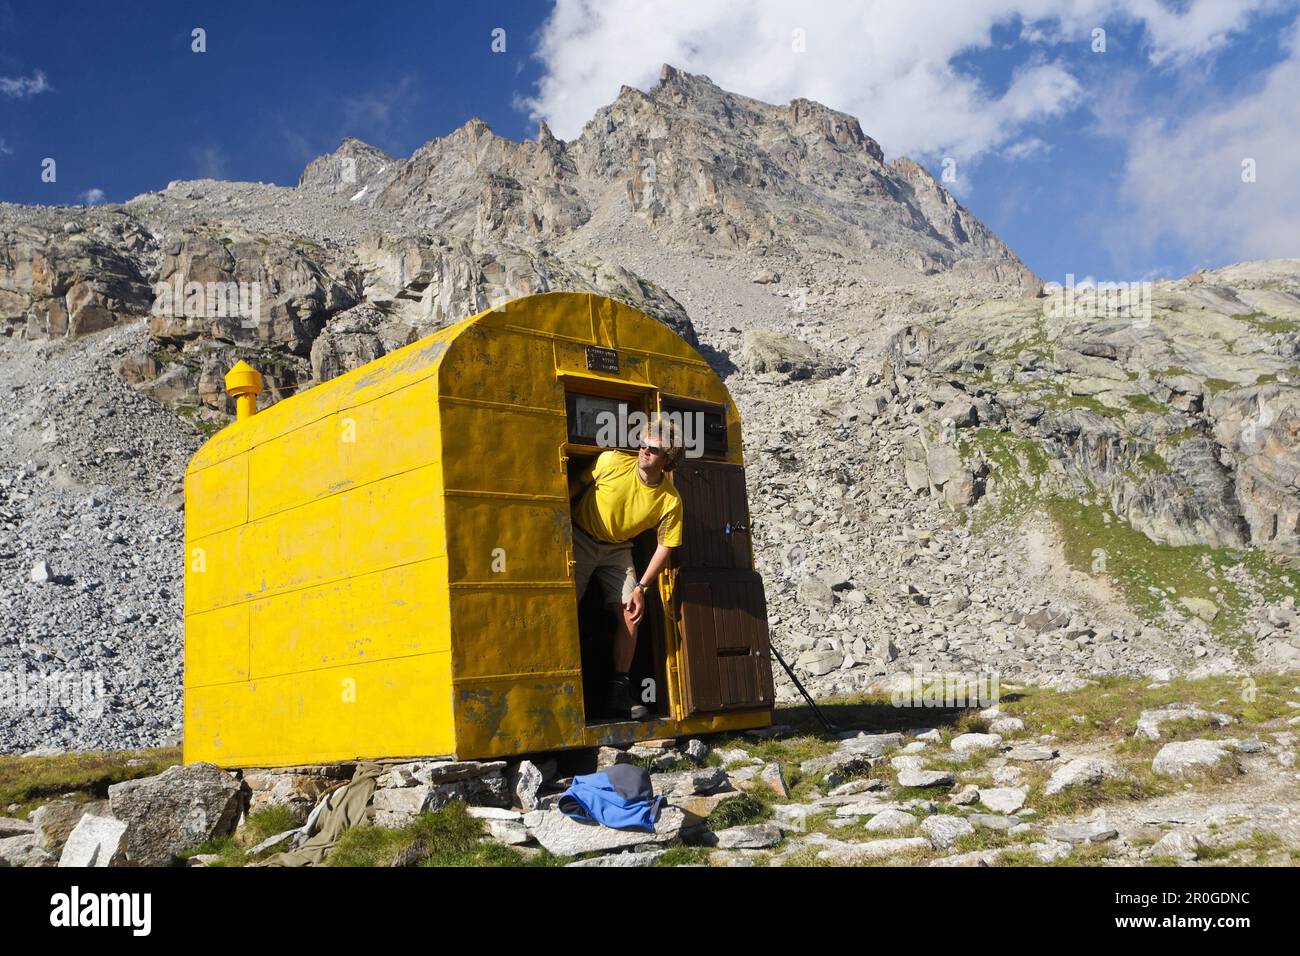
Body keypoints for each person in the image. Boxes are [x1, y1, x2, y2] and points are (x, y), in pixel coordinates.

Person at [569, 412, 686, 720]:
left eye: (654, 449)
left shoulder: (670, 500)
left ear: (668, 458)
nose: (645, 451)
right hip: (579, 536)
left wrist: (642, 588)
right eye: (644, 445)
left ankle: (619, 692)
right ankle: (565, 689)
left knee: (631, 614)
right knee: (565, 606)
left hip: (618, 550)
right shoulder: (611, 462)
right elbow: (572, 486)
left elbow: (666, 546)